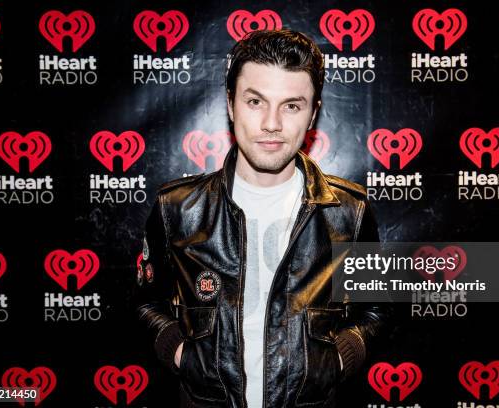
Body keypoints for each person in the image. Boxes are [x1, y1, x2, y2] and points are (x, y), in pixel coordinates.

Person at [136, 29, 392, 408]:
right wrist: (180, 354)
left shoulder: (349, 212)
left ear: (313, 114)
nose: (271, 123)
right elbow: (145, 303)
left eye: (292, 105)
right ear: (231, 104)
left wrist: (340, 358)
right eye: (255, 101)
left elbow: (377, 309)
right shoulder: (176, 208)